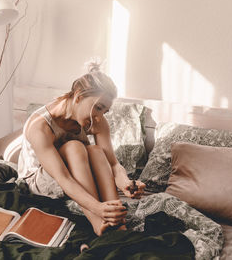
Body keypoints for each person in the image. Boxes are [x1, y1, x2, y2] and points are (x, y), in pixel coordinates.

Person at [17, 59, 146, 236]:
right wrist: (97, 208)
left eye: (104, 111)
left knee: (95, 150)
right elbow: (63, 178)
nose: (100, 117)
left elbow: (113, 164)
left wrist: (125, 183)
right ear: (78, 96)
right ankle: (98, 221)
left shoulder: (97, 120)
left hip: (74, 169)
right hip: (39, 180)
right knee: (75, 147)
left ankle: (117, 219)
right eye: (98, 108)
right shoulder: (40, 126)